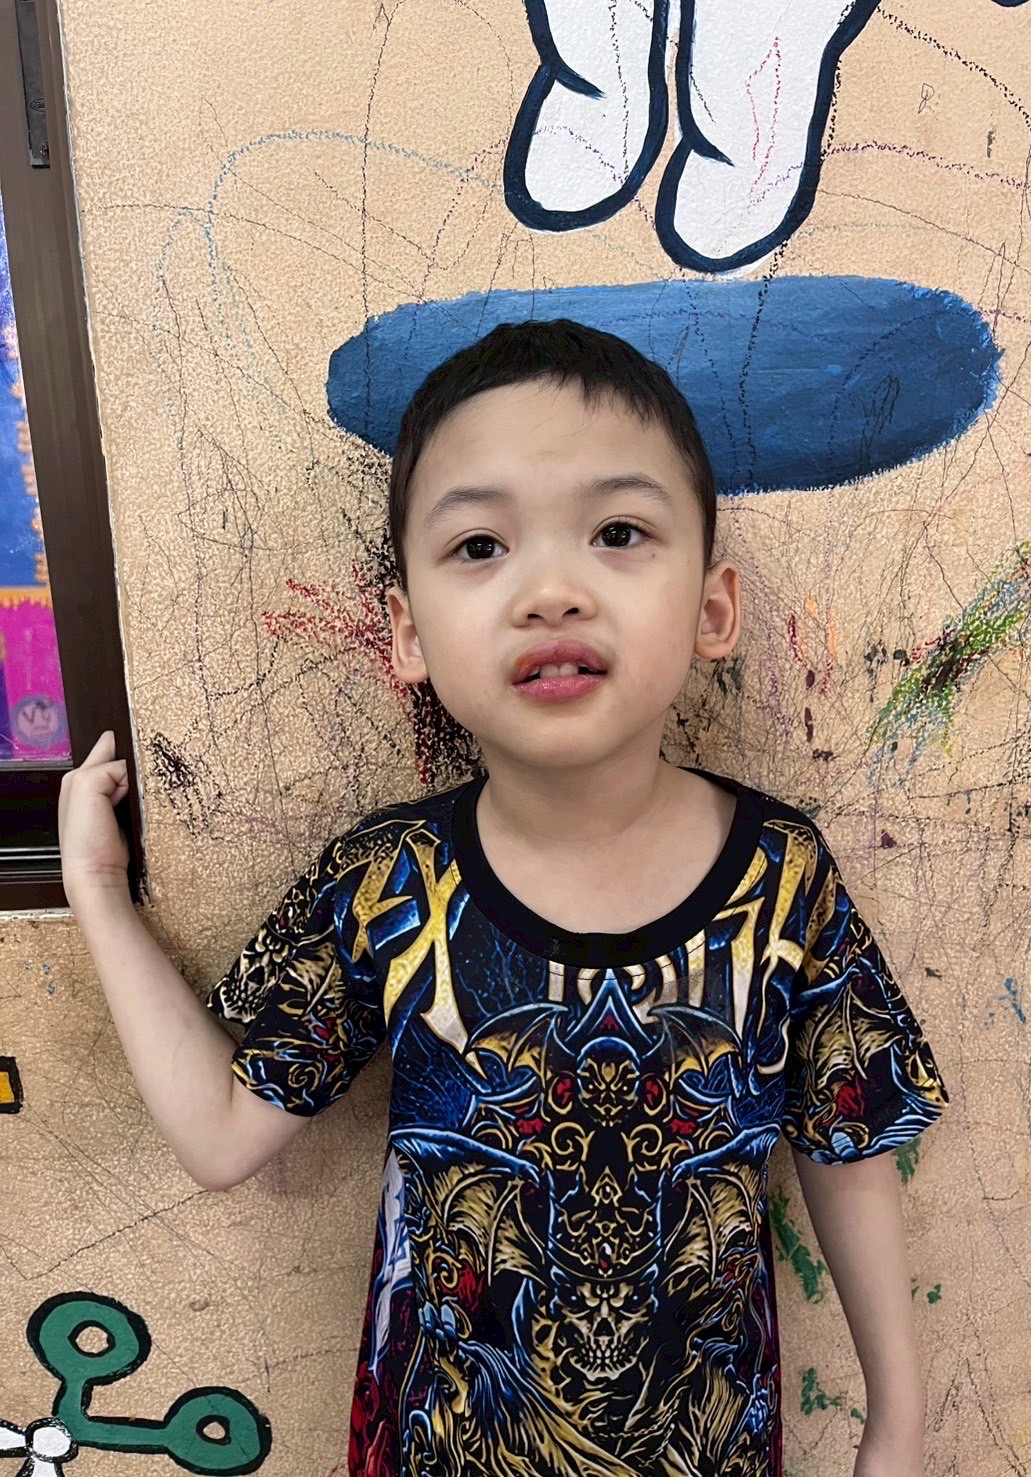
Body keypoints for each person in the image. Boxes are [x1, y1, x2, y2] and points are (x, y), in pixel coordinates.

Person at [59, 318, 949, 1477]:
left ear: (712, 607)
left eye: (617, 532)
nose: (550, 591)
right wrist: (97, 890)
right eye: (479, 545)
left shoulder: (781, 877)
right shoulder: (390, 884)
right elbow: (222, 1133)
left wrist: (896, 1425)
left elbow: (848, 1140)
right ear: (407, 632)